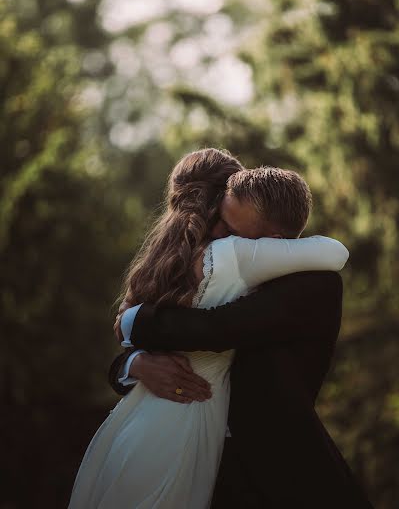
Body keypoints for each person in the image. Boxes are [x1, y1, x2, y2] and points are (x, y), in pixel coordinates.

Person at [69, 148, 351, 509]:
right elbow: (169, 342)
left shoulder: (314, 286)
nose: (219, 237)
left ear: (272, 238)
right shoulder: (206, 262)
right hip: (183, 437)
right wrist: (132, 364)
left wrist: (130, 322)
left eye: (232, 228)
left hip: (268, 473)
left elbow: (214, 329)